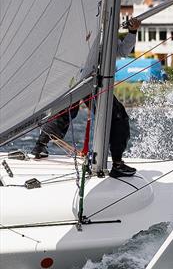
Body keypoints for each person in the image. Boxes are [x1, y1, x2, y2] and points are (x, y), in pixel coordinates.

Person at [32, 18, 141, 178]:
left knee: (68, 111)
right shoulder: (94, 31)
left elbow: (122, 51)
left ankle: (40, 145)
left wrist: (132, 32)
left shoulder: (105, 35)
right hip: (82, 80)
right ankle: (117, 164)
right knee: (117, 116)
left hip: (83, 81)